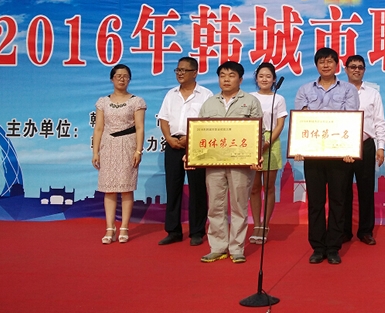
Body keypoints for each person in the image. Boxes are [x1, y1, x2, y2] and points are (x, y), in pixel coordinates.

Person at [294, 47, 359, 265]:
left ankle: (333, 247)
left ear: (336, 65)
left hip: (339, 155)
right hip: (313, 155)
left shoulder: (348, 90)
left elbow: (351, 121)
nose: (325, 65)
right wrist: (299, 148)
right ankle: (317, 247)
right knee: (316, 202)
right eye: (321, 61)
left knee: (338, 201)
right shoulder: (304, 89)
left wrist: (350, 150)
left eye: (330, 61)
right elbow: (302, 122)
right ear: (316, 65)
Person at [197, 61, 262, 263]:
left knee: (239, 205)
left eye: (231, 75)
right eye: (222, 75)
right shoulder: (209, 103)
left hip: (241, 163)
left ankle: (236, 248)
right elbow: (200, 133)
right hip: (214, 163)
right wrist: (192, 153)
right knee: (215, 205)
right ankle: (217, 247)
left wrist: (256, 155)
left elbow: (258, 132)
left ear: (240, 79)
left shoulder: (250, 101)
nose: (226, 79)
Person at [157, 56, 213, 246]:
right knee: (173, 188)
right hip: (173, 144)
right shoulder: (171, 94)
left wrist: (191, 138)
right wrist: (169, 138)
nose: (180, 73)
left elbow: (208, 122)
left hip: (196, 146)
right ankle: (173, 231)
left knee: (197, 189)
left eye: (184, 70)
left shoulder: (205, 95)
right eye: (178, 70)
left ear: (194, 73)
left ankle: (197, 231)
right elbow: (163, 119)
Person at [92, 63, 146, 244]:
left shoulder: (136, 101)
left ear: (129, 79)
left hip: (128, 145)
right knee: (109, 189)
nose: (122, 79)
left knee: (126, 188)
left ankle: (124, 227)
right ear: (112, 79)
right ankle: (109, 228)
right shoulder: (103, 102)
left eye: (125, 76)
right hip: (108, 145)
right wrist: (95, 151)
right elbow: (99, 128)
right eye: (118, 76)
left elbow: (140, 127)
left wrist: (138, 150)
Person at [342, 54, 385, 246]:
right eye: (352, 67)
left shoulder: (373, 94)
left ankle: (366, 231)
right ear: (345, 69)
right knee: (342, 189)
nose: (356, 70)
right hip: (343, 145)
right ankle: (344, 231)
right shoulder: (338, 91)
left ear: (364, 70)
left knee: (366, 189)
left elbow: (379, 121)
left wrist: (381, 147)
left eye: (360, 67)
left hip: (366, 144)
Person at [249, 62, 288, 244]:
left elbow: (280, 124)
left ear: (274, 79)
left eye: (268, 76)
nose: (264, 79)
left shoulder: (278, 98)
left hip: (271, 142)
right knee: (254, 187)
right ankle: (256, 224)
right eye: (261, 76)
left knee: (269, 187)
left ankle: (265, 224)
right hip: (252, 140)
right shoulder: (250, 97)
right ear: (256, 78)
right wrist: (256, 141)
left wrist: (267, 142)